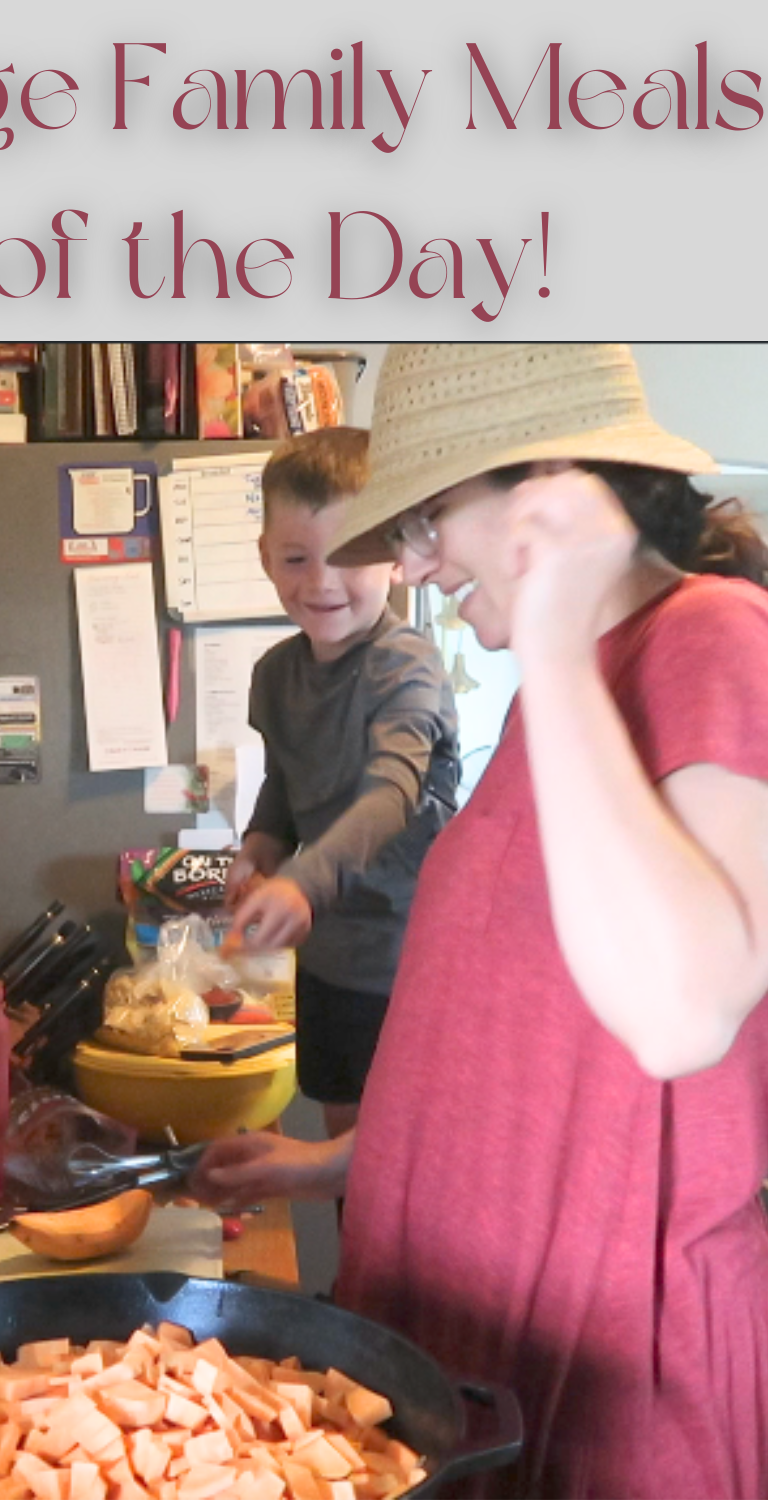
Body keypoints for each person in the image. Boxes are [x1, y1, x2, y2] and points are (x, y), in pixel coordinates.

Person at [192, 344, 768, 1500]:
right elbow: (528, 1052)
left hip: (605, 1376)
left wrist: (551, 635)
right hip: (470, 1348)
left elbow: (679, 1014)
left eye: (429, 514)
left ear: (545, 489)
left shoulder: (714, 636)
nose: (409, 558)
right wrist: (335, 1163)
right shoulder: (570, 695)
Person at [224, 425, 458, 1138]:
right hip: (327, 965)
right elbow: (285, 785)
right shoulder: (275, 673)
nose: (320, 582)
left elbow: (392, 793)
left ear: (392, 557)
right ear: (266, 558)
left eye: (347, 556)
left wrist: (304, 882)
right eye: (296, 557)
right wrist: (263, 847)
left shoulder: (406, 667)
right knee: (344, 1160)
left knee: (401, 1163)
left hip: (412, 966)